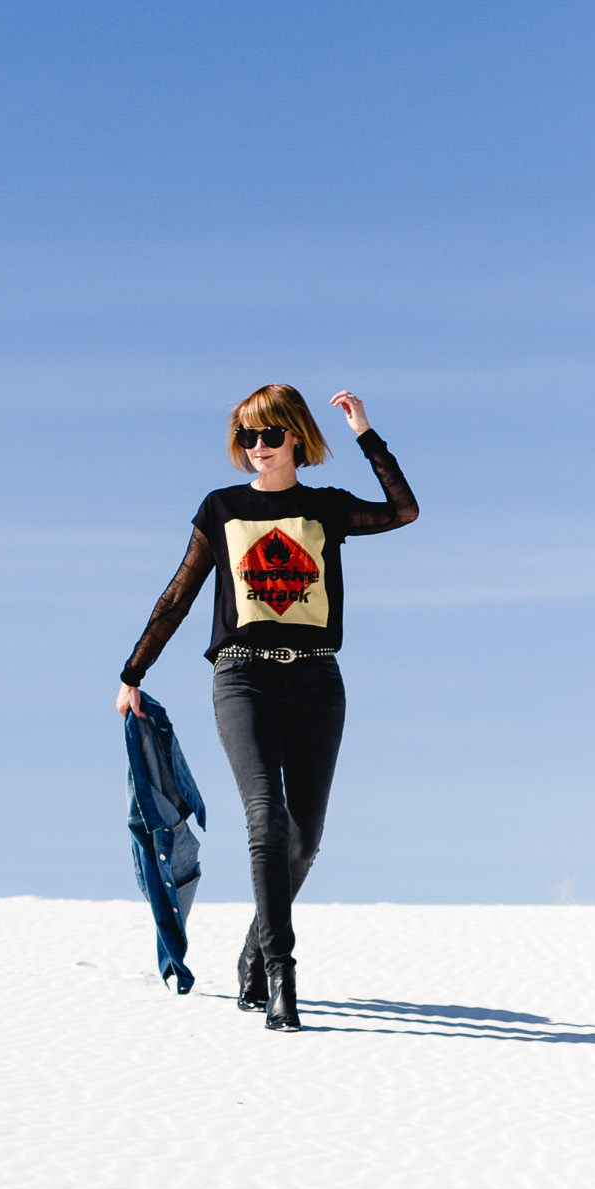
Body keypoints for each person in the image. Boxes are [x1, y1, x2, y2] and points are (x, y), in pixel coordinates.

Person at [116, 385, 418, 1032]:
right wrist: (133, 672)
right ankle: (282, 977)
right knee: (266, 818)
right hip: (241, 679)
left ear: (296, 440)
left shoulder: (324, 508)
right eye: (247, 438)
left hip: (316, 684)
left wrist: (367, 433)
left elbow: (403, 510)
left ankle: (254, 947)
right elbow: (178, 595)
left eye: (269, 436)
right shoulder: (222, 509)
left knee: (304, 840)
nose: (257, 448)